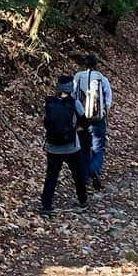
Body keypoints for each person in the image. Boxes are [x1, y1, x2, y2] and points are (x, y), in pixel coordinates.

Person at [40, 75, 88, 217]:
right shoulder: (75, 103)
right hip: (71, 146)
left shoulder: (49, 103)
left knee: (51, 175)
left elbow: (45, 123)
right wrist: (75, 130)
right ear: (71, 89)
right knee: (78, 174)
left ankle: (46, 205)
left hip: (52, 147)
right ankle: (82, 200)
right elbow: (85, 122)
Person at [73, 54, 113, 190]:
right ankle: (94, 169)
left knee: (83, 148)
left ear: (84, 64)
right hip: (98, 118)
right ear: (96, 64)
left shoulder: (78, 77)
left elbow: (73, 96)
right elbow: (108, 99)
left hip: (81, 118)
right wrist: (105, 111)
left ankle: (84, 177)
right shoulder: (102, 79)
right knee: (98, 147)